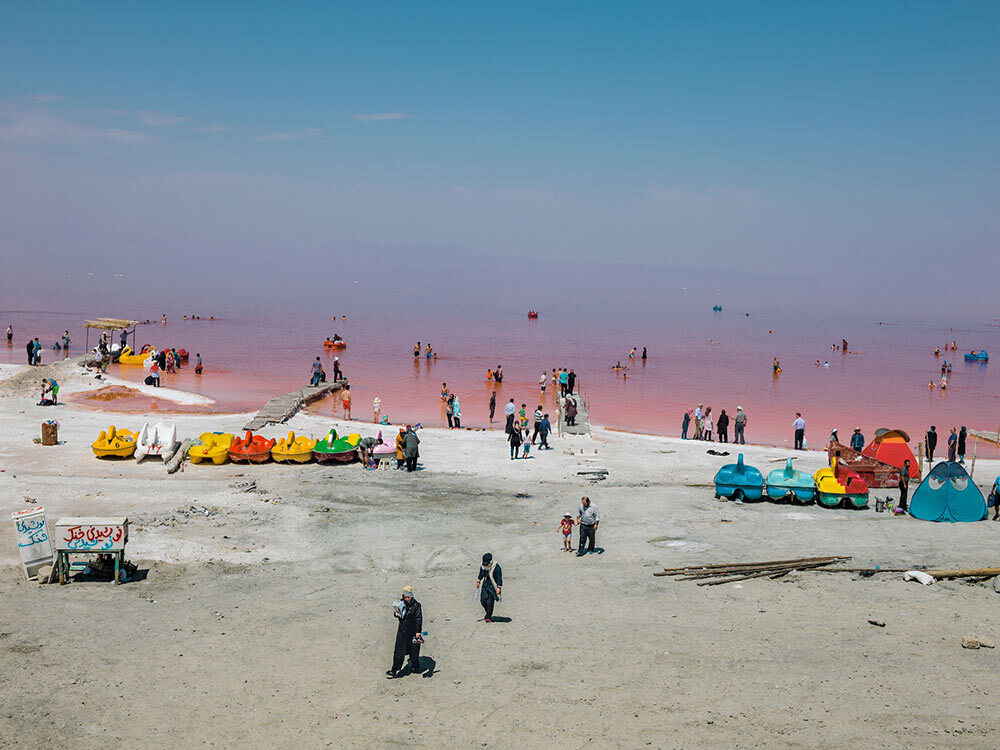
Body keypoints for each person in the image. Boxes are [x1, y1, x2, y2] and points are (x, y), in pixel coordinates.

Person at [387, 585, 422, 678]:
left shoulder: (417, 605)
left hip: (413, 631)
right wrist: (396, 614)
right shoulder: (401, 603)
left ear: (411, 596)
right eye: (405, 597)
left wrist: (418, 632)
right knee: (399, 650)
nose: (406, 599)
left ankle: (415, 666)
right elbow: (398, 614)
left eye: (408, 597)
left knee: (414, 651)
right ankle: (394, 670)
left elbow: (419, 619)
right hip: (402, 630)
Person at [476, 553, 503, 622]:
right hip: (485, 584)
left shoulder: (497, 568)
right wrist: (478, 581)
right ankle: (488, 613)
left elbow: (499, 578)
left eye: (487, 564)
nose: (485, 565)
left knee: (490, 602)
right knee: (483, 600)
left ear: (490, 562)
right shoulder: (483, 567)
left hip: (493, 586)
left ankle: (488, 616)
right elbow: (481, 574)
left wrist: (499, 587)